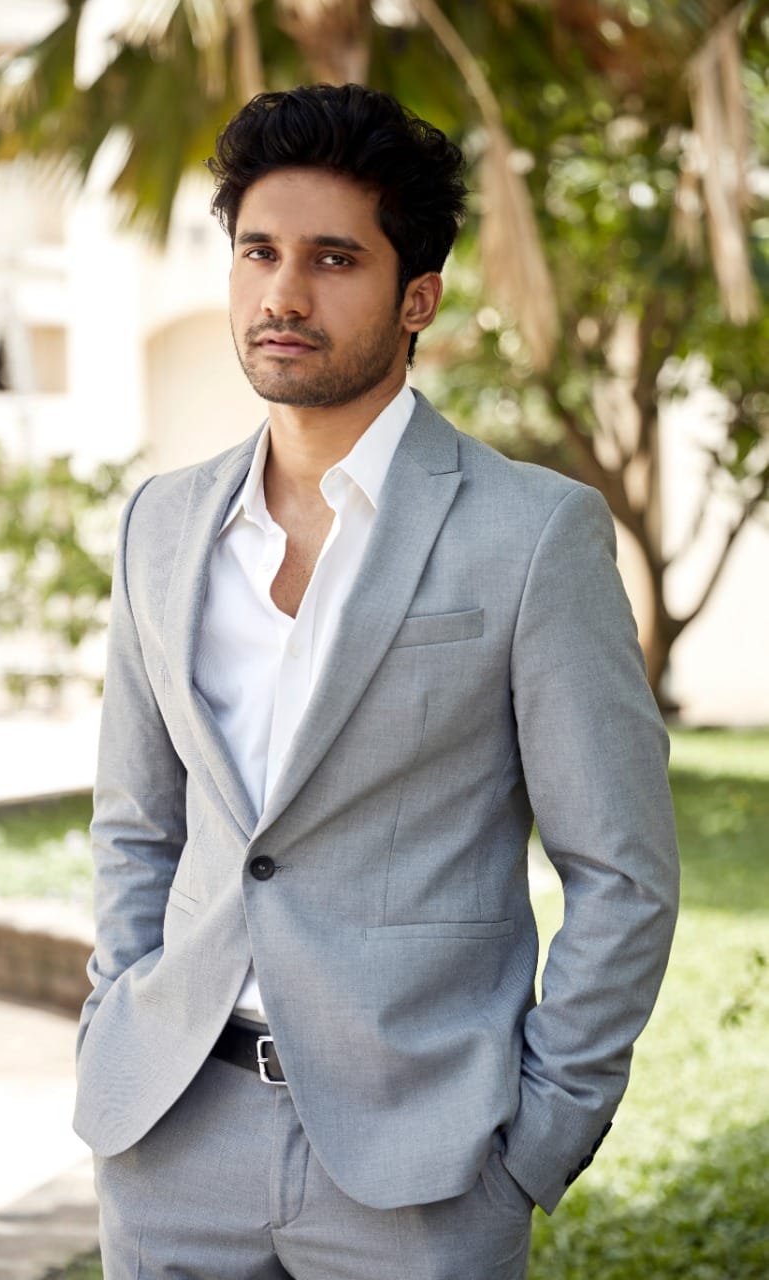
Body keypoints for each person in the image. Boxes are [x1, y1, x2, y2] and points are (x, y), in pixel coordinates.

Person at [74, 83, 679, 1280]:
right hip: (172, 1136)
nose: (283, 294)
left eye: (333, 258)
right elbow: (137, 822)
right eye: (259, 251)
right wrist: (114, 1024)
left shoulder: (532, 534)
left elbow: (621, 870)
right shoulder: (162, 524)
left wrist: (537, 1138)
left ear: (418, 299)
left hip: (425, 1161)